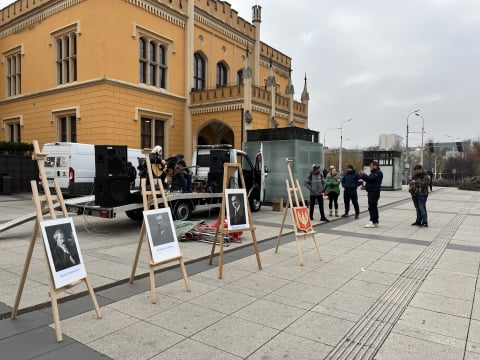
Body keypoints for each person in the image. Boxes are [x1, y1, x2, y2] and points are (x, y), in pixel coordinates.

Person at [359, 160, 383, 228]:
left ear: (375, 166)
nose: (370, 167)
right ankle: (375, 221)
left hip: (374, 192)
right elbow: (368, 179)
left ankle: (372, 221)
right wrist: (362, 175)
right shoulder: (373, 172)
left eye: (371, 166)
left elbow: (370, 179)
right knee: (373, 207)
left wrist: (363, 174)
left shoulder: (378, 173)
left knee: (372, 207)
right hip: (371, 192)